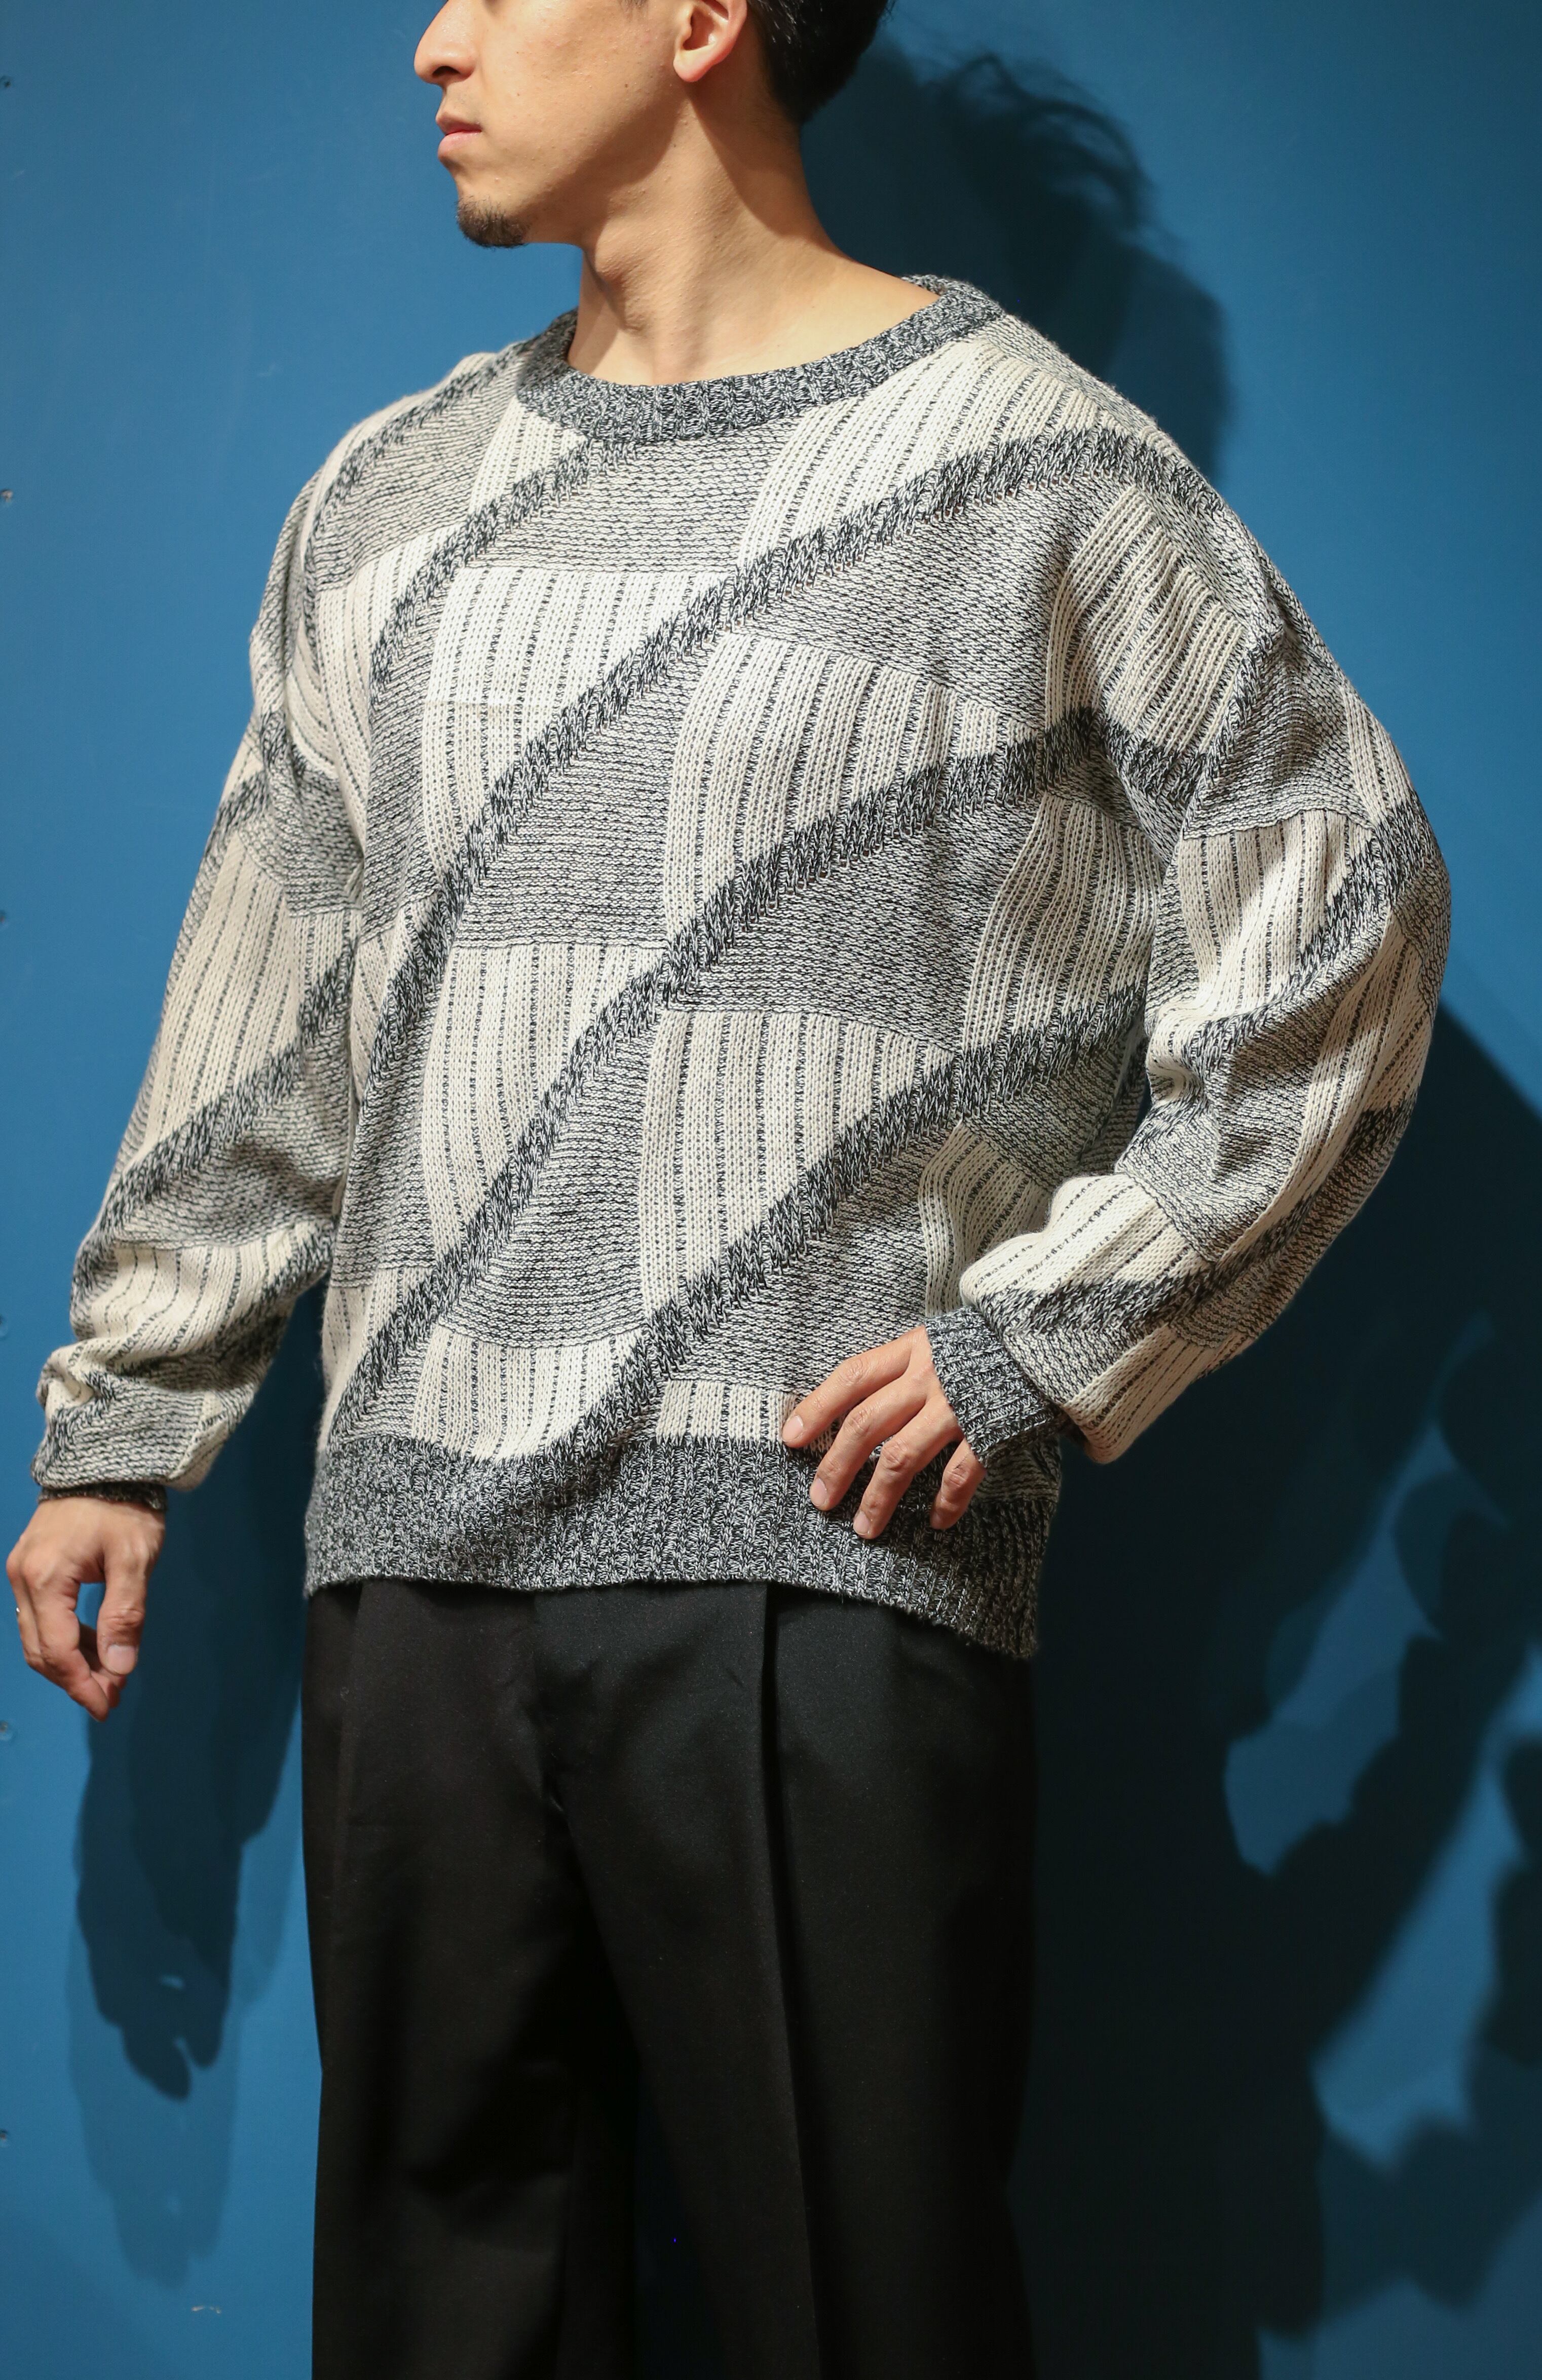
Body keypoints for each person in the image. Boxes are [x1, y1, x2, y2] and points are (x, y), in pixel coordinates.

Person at [7, 1, 1450, 2373]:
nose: (432, 43)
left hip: (822, 1566)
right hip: (416, 1568)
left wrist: (1043, 1334)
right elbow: (275, 980)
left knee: (864, 2317)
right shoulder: (387, 498)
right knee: (435, 2329)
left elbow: (1338, 923)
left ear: (698, 19)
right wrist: (128, 1417)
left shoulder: (1024, 467)